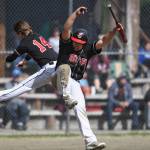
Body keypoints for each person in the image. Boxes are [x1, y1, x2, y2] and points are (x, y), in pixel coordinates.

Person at [56, 6, 124, 150]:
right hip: (59, 77)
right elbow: (67, 28)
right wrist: (75, 14)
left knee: (81, 109)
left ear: (84, 43)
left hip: (75, 83)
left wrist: (114, 31)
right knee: (65, 68)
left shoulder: (88, 49)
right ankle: (66, 95)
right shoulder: (67, 44)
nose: (75, 43)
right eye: (74, 40)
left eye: (79, 43)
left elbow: (103, 41)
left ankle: (90, 142)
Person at [0, 20, 57, 103]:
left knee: (20, 88)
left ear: (19, 33)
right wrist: (25, 61)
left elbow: (11, 59)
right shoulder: (38, 35)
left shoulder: (24, 43)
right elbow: (33, 50)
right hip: (59, 65)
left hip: (48, 70)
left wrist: (4, 57)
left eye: (17, 33)